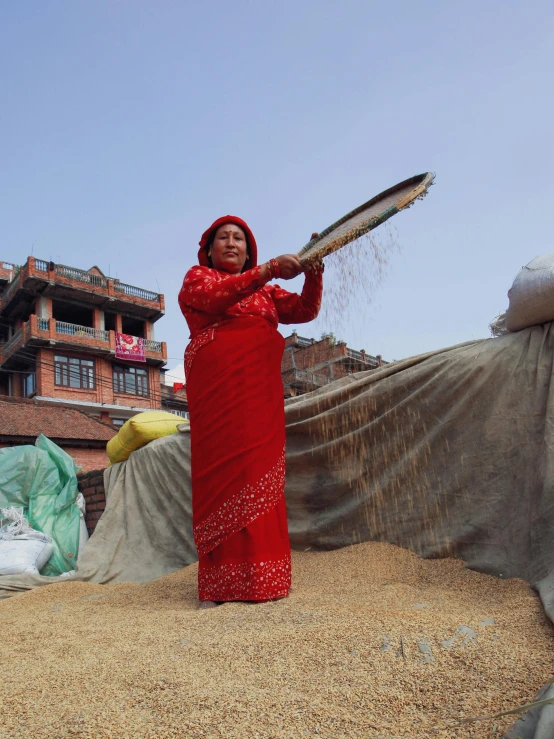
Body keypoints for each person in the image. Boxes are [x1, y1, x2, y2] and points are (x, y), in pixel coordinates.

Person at [178, 215, 323, 609]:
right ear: (208, 249)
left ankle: (264, 578)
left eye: (238, 238)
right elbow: (216, 299)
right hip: (217, 396)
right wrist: (271, 269)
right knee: (221, 477)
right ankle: (221, 585)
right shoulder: (198, 279)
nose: (231, 243)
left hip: (259, 396)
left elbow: (307, 309)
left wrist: (314, 270)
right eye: (222, 238)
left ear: (248, 250)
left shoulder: (268, 295)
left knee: (259, 473)